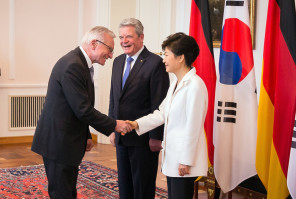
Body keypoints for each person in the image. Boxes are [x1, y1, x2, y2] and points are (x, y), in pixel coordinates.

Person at [31, 26, 131, 199]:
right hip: (58, 142)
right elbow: (83, 109)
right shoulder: (73, 65)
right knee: (61, 193)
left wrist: (86, 135)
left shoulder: (80, 63)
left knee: (68, 190)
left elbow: (75, 107)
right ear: (93, 43)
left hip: (66, 140)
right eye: (109, 49)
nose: (110, 55)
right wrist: (115, 124)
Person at [127, 32, 208, 199]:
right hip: (173, 157)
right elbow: (161, 113)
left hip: (184, 160)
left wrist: (186, 160)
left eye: (166, 54)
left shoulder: (195, 86)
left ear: (180, 58)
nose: (163, 59)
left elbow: (193, 126)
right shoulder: (176, 83)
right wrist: (136, 124)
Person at [108, 18, 169, 199]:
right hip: (121, 135)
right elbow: (114, 98)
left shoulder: (155, 63)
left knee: (142, 186)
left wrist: (156, 137)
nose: (123, 41)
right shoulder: (118, 61)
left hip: (143, 139)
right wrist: (111, 128)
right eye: (121, 37)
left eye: (129, 36)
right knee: (124, 185)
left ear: (141, 37)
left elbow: (158, 103)